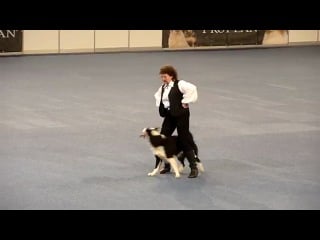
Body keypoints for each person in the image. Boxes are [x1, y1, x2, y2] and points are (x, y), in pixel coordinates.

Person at [154, 65, 200, 178]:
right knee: (164, 137)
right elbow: (158, 96)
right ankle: (167, 165)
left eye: (164, 77)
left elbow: (192, 88)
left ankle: (193, 167)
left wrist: (185, 101)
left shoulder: (180, 84)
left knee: (184, 139)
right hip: (170, 114)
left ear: (171, 76)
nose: (163, 79)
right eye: (161, 77)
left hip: (181, 115)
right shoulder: (163, 87)